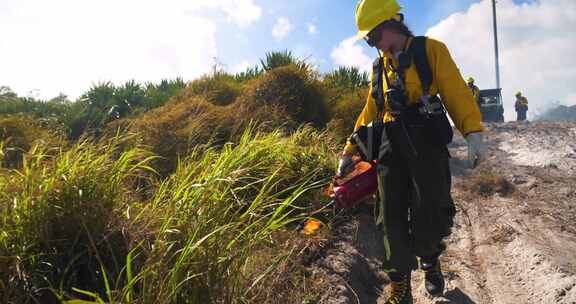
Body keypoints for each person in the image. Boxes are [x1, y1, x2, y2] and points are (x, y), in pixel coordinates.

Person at [337, 1, 486, 303]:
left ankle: (430, 263)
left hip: (426, 142)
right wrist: (350, 150)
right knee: (388, 215)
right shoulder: (379, 67)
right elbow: (371, 110)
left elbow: (455, 90)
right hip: (390, 146)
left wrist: (472, 133)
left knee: (429, 209)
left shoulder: (430, 51)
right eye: (368, 39)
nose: (372, 44)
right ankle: (399, 285)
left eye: (373, 36)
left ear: (392, 25)